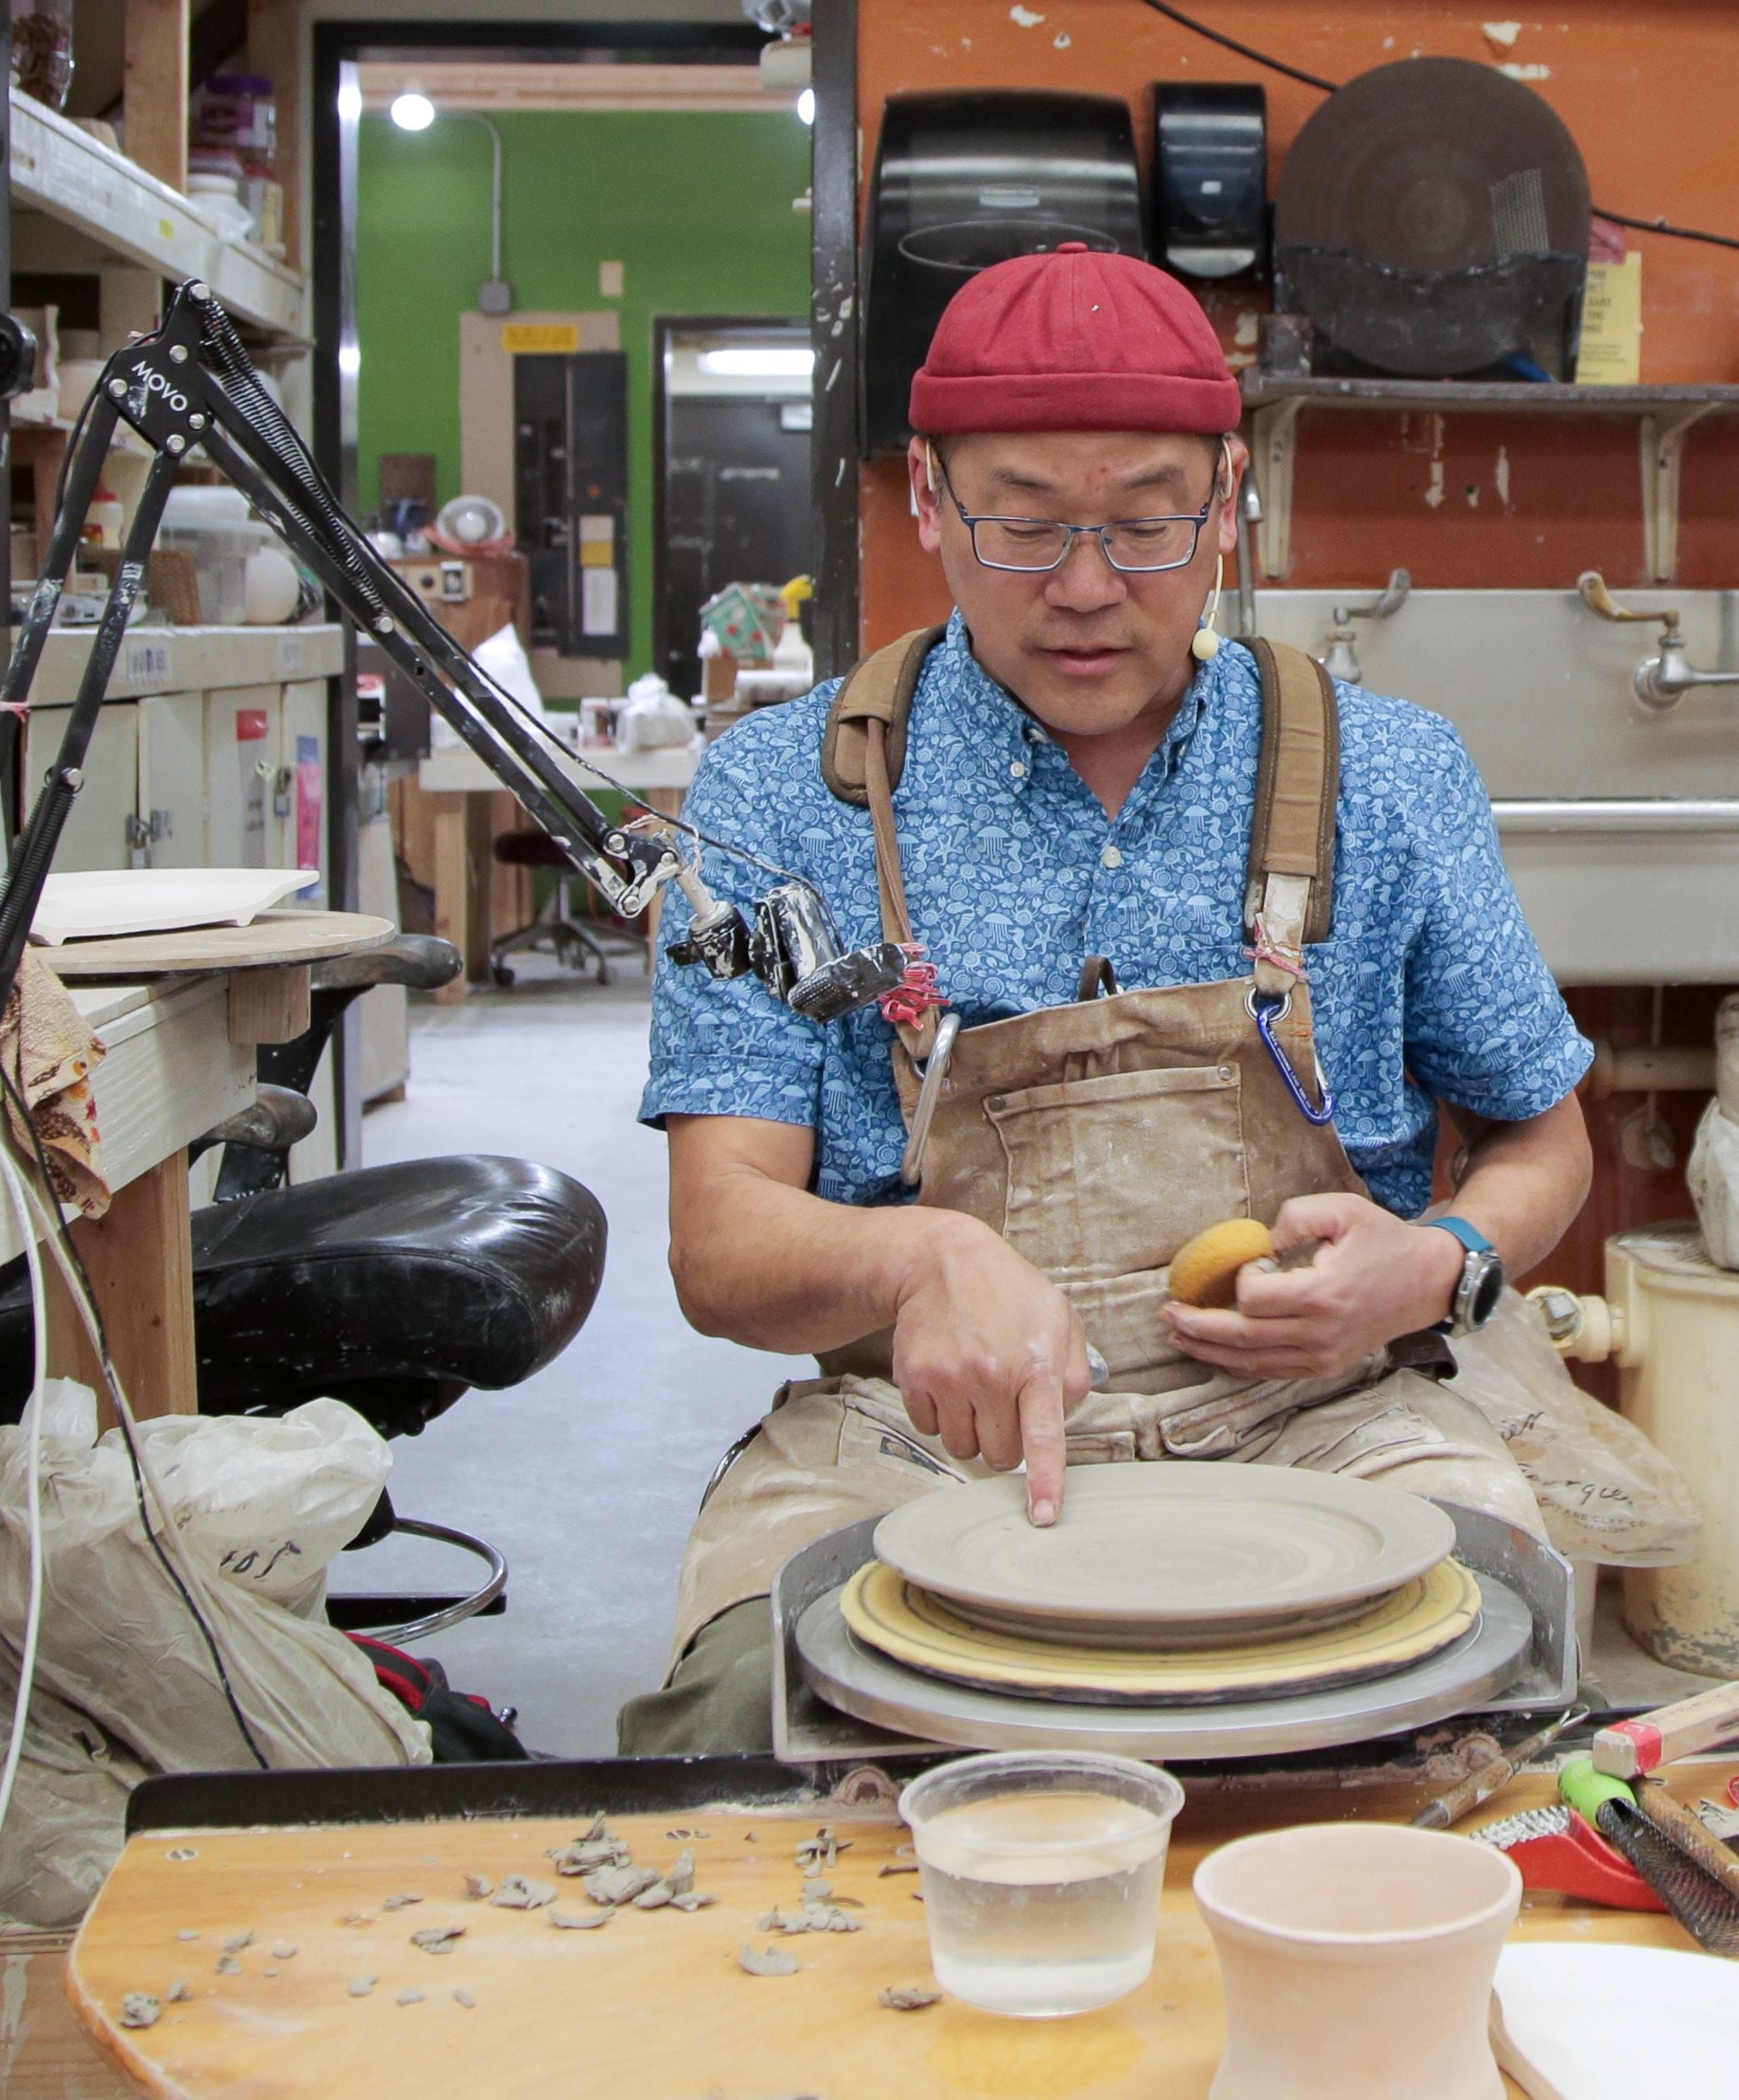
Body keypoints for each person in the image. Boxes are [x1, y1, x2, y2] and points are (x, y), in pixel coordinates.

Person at [616, 246, 1594, 1755]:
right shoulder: (782, 795)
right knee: (739, 1727)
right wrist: (917, 1262)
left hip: (1332, 1428)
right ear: (928, 500)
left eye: (1144, 524)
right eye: (1022, 525)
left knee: (1492, 1700)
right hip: (919, 1447)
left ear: (1225, 505)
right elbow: (718, 1243)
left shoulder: (1387, 774)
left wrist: (1435, 1260)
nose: (1084, 587)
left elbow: (1546, 1145)